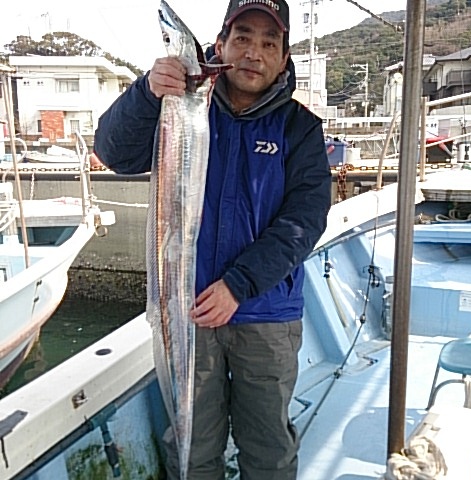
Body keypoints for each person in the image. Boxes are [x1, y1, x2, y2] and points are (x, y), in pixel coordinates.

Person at [94, 0, 331, 478]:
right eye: (242, 37)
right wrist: (146, 92)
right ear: (220, 45)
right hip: (187, 310)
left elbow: (303, 221)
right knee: (193, 445)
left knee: (268, 449)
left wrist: (239, 285)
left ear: (284, 57)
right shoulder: (180, 105)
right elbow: (114, 153)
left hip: (265, 314)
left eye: (269, 42)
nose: (253, 53)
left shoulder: (299, 128)